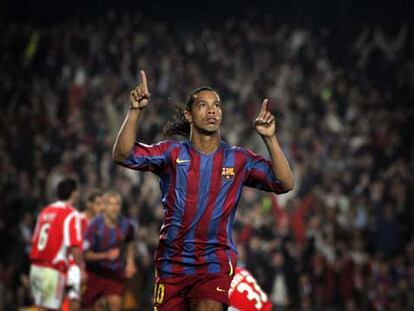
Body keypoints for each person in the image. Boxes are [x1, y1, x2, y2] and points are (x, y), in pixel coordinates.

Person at [112, 70, 294, 311]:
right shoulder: (171, 153)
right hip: (172, 263)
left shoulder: (238, 159)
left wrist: (270, 139)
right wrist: (135, 110)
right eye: (203, 105)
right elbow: (123, 155)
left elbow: (285, 183)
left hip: (214, 262)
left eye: (216, 105)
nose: (211, 110)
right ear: (188, 114)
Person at [29, 177, 86, 311]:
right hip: (52, 270)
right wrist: (81, 269)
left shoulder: (44, 211)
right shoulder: (71, 214)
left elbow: (34, 240)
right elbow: (74, 246)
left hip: (35, 269)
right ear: (74, 193)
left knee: (40, 308)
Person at [81, 190, 137, 311]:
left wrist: (130, 261)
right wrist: (105, 255)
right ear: (104, 207)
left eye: (117, 204)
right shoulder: (94, 226)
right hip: (95, 273)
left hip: (114, 275)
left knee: (115, 305)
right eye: (111, 204)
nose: (114, 208)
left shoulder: (126, 225)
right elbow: (86, 255)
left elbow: (130, 242)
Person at [62, 189, 104, 311]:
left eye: (102, 204)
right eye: (98, 204)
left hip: (91, 268)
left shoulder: (100, 225)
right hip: (74, 267)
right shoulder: (78, 219)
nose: (101, 208)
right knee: (75, 304)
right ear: (88, 204)